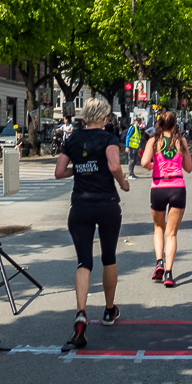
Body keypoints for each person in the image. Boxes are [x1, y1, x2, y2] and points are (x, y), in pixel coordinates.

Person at [55, 97, 130, 345]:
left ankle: (80, 313)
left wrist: (79, 169)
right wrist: (123, 182)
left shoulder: (72, 139)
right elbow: (114, 165)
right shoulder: (109, 138)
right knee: (109, 257)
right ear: (104, 117)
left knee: (83, 261)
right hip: (106, 203)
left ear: (84, 117)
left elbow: (59, 172)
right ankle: (109, 310)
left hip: (81, 206)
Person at [141, 111, 192, 287]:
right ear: (174, 124)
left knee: (158, 227)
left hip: (158, 186)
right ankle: (169, 274)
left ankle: (159, 263)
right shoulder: (182, 142)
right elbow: (188, 168)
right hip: (177, 187)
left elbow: (143, 162)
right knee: (171, 233)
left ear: (160, 125)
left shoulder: (153, 141)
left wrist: (153, 165)